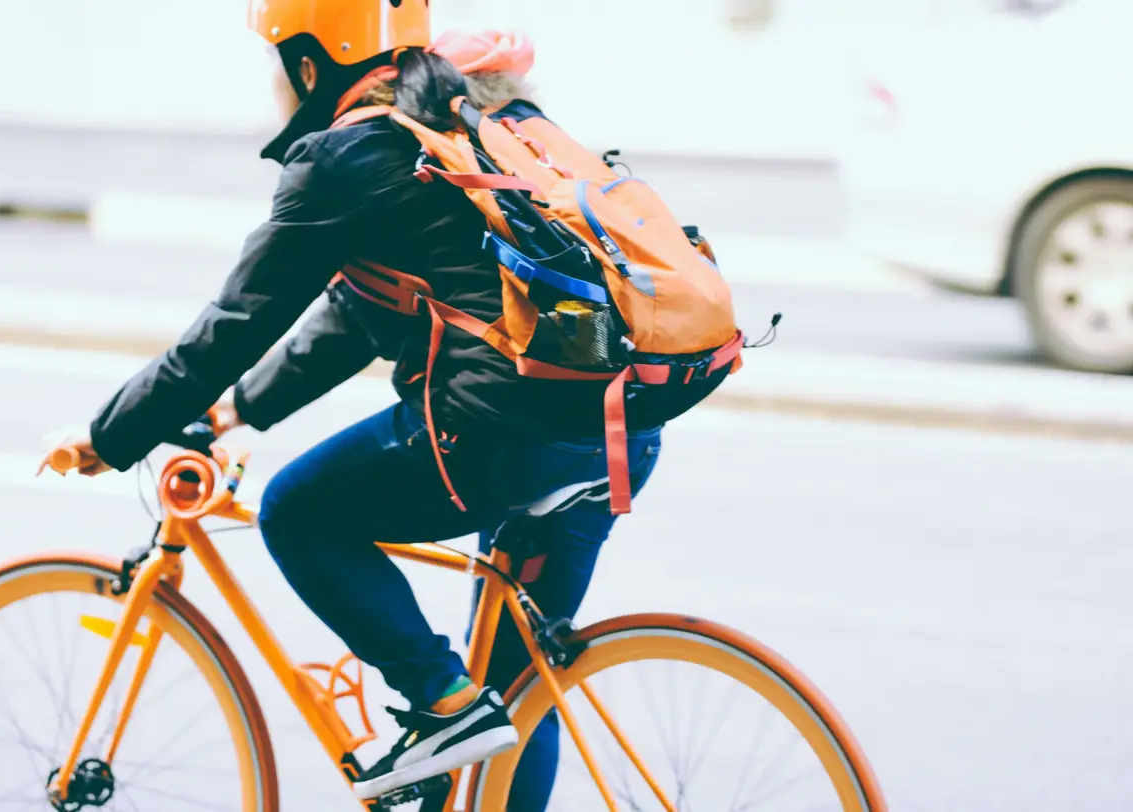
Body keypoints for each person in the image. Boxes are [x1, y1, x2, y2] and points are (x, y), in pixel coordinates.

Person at [40, 2, 726, 806]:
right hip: (615, 428)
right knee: (517, 693)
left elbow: (235, 324)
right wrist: (237, 413)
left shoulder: (345, 156)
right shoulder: (459, 125)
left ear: (309, 65)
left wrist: (111, 435)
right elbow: (356, 315)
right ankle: (459, 720)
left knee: (297, 512)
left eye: (276, 63)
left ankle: (440, 701)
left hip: (503, 437)